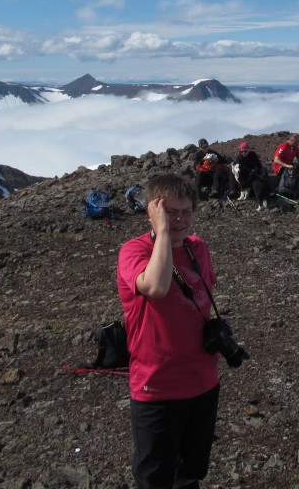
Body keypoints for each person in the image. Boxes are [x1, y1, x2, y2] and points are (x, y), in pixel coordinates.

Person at [117, 173, 220, 489]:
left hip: (203, 382)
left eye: (186, 211)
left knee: (190, 474)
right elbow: (158, 287)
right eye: (170, 212)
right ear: (153, 211)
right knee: (156, 480)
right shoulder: (133, 252)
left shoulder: (197, 248)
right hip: (157, 388)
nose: (179, 220)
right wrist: (162, 232)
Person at [229, 141, 269, 207]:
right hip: (244, 175)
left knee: (264, 169)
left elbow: (258, 165)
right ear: (240, 151)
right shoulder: (239, 158)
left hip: (253, 172)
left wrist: (254, 171)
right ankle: (233, 189)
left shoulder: (253, 155)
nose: (244, 153)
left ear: (249, 150)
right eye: (242, 151)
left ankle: (267, 186)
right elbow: (240, 169)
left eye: (245, 151)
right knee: (231, 170)